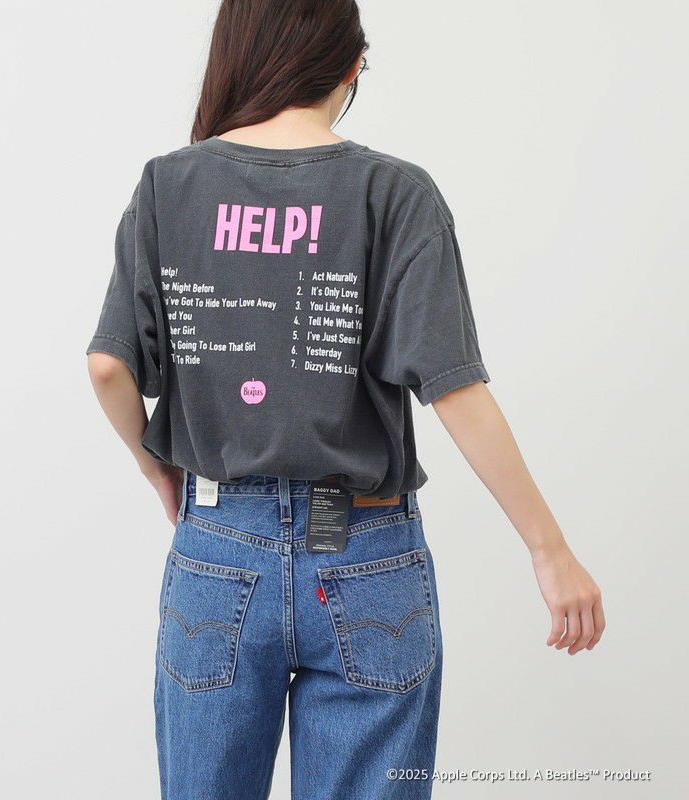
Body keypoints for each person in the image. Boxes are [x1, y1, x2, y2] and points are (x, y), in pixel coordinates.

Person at [87, 2, 605, 797]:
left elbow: (107, 368)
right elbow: (455, 387)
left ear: (236, 54)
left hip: (218, 545)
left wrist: (154, 466)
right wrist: (549, 548)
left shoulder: (169, 185)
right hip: (368, 553)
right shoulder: (394, 193)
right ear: (352, 63)